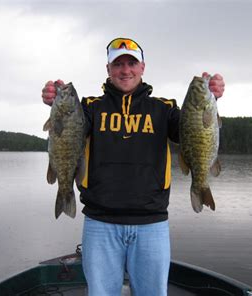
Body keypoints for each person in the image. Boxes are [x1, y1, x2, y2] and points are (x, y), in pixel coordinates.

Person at [41, 37, 225, 296]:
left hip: (152, 225)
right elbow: (67, 130)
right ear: (108, 69)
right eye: (118, 64)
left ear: (142, 68)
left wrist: (213, 97)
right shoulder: (90, 108)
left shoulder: (165, 108)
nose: (125, 70)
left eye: (131, 63)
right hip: (100, 223)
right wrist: (55, 103)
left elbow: (194, 132)